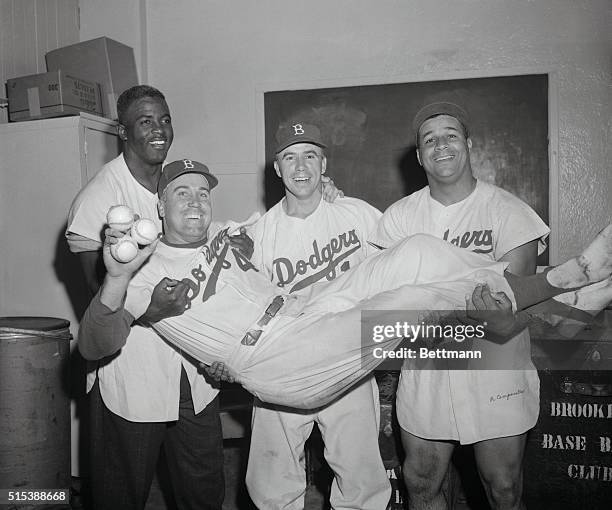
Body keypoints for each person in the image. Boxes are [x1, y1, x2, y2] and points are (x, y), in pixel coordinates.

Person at [79, 157, 612, 413]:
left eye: (202, 192)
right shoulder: (140, 269)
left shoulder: (230, 232)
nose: (195, 202)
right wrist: (120, 283)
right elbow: (92, 346)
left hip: (303, 312)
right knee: (409, 303)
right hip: (272, 360)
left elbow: (287, 214)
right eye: (181, 194)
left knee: (417, 253)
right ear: (158, 206)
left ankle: (562, 288)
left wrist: (321, 196)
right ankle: (564, 285)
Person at [374, 101, 555, 509]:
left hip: (494, 367)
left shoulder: (509, 212)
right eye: (430, 139)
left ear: (469, 144)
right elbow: (384, 300)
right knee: (420, 482)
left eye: (450, 135)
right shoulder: (398, 219)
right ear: (419, 155)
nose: (441, 145)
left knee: (503, 487)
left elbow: (514, 314)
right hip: (428, 370)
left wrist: (486, 316)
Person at [66, 85, 225, 510]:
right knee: (120, 494)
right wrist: (150, 309)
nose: (159, 130)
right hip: (129, 371)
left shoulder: (175, 184)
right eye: (145, 121)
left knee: (204, 490)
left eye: (165, 119)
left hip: (191, 371)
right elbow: (102, 302)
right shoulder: (100, 199)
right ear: (123, 131)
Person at [245, 122, 390, 509]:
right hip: (283, 363)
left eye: (310, 155)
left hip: (347, 359)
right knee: (272, 482)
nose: (300, 166)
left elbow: (395, 269)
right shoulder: (259, 233)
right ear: (276, 169)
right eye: (289, 157)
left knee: (361, 479)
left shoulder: (357, 215)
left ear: (323, 163)